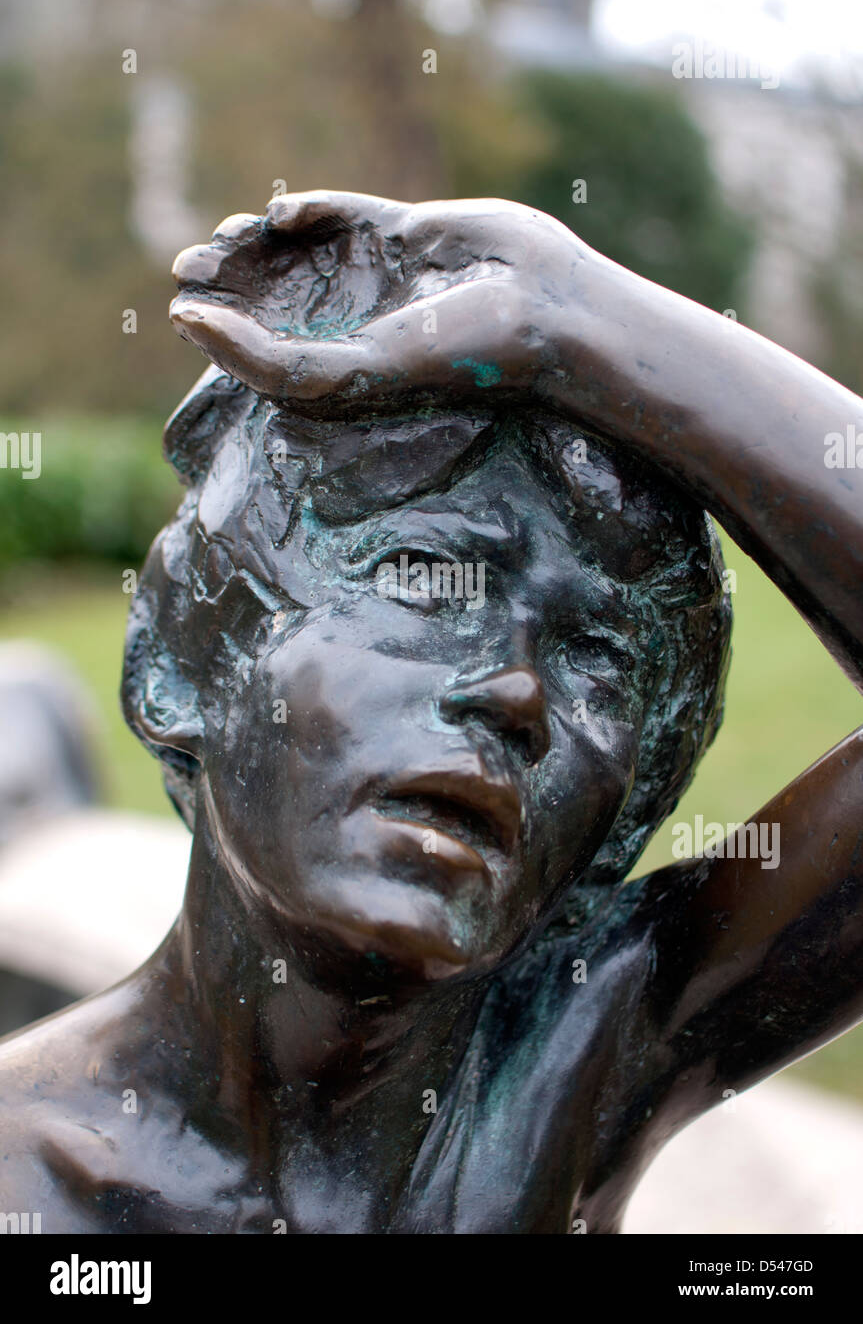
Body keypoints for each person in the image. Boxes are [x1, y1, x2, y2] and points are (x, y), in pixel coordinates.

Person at [0, 191, 860, 1234]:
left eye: (598, 666)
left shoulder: (573, 1063)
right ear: (183, 661)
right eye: (420, 579)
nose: (517, 692)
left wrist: (573, 319)